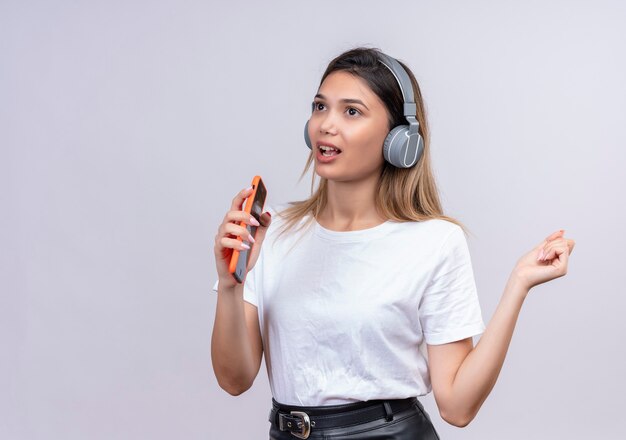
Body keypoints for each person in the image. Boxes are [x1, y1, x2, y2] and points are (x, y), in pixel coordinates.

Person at [211, 47, 575, 439]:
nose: (325, 125)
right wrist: (231, 285)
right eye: (320, 107)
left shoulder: (434, 242)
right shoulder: (273, 230)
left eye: (351, 111)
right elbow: (234, 379)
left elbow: (457, 406)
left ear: (400, 140)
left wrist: (517, 285)